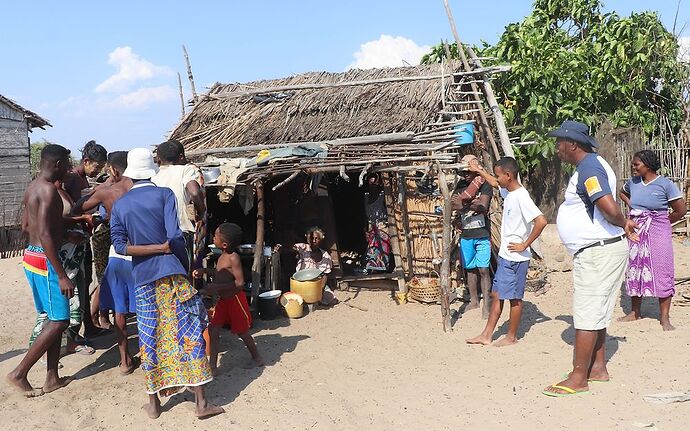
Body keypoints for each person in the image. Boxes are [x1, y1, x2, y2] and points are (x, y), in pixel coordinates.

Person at [110, 148, 222, 419]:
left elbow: (120, 246)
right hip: (172, 273)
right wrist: (165, 252)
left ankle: (154, 404)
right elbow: (174, 237)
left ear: (130, 174)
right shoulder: (165, 195)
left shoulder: (121, 205)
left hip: (143, 278)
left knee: (149, 336)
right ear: (152, 169)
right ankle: (201, 403)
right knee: (189, 332)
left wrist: (149, 250)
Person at [542, 120, 637, 397]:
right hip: (601, 249)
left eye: (560, 142)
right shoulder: (590, 166)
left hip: (598, 251)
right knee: (597, 311)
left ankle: (578, 377)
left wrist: (623, 222)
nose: (557, 147)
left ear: (572, 144)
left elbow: (607, 206)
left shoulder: (589, 168)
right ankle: (597, 368)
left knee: (585, 314)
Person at [6, 144, 75, 397]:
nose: (68, 169)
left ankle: (52, 377)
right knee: (60, 320)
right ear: (57, 164)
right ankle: (19, 373)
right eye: (66, 164)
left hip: (31, 256)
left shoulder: (33, 187)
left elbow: (26, 225)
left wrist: (65, 232)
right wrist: (61, 274)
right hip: (46, 261)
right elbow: (44, 233)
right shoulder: (48, 191)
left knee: (52, 317)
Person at [466, 156, 547, 346]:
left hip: (517, 258)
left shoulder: (521, 196)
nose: (497, 178)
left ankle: (511, 337)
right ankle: (486, 335)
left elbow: (541, 221)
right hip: (506, 256)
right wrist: (479, 171)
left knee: (515, 299)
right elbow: (494, 182)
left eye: (499, 175)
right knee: (498, 294)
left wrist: (525, 245)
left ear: (508, 176)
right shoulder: (508, 191)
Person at [72, 151, 138, 374]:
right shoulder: (150, 190)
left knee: (119, 307)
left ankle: (124, 361)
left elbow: (77, 207)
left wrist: (97, 191)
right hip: (145, 251)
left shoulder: (108, 191)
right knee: (148, 306)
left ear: (113, 169)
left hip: (119, 252)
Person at [618, 150, 686, 331]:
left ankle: (664, 317)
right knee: (635, 268)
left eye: (636, 164)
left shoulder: (665, 184)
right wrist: (631, 204)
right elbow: (621, 193)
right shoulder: (632, 183)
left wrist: (663, 222)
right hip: (636, 230)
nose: (633, 167)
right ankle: (635, 312)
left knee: (662, 268)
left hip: (658, 230)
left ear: (647, 165)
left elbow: (680, 210)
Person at [193, 223, 264, 375]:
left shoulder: (233, 258)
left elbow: (239, 283)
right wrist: (205, 270)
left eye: (216, 237)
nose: (213, 237)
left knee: (242, 332)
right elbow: (220, 274)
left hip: (234, 300)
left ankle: (257, 358)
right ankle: (212, 366)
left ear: (224, 244)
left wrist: (216, 288)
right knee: (213, 330)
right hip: (223, 301)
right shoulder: (223, 256)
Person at [64, 140, 108, 339]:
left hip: (82, 236)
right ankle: (72, 334)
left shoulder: (82, 179)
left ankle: (88, 326)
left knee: (86, 282)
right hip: (71, 240)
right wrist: (84, 217)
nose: (97, 171)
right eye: (96, 167)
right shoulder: (73, 179)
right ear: (87, 161)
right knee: (75, 286)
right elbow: (70, 208)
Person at [152, 140, 206, 271]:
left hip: (159, 233)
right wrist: (202, 210)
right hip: (181, 231)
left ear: (158, 159)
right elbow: (194, 191)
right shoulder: (186, 170)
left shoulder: (153, 176)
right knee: (184, 274)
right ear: (180, 156)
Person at [452, 154, 493, 318]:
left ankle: (487, 305)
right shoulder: (461, 185)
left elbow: (483, 206)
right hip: (466, 234)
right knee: (470, 269)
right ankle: (474, 301)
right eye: (463, 172)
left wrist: (465, 202)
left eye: (468, 171)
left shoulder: (485, 185)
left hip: (482, 234)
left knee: (483, 269)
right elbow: (455, 205)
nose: (465, 175)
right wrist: (470, 202)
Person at [293, 227, 337, 305]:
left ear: (321, 239)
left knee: (330, 299)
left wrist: (320, 290)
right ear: (307, 239)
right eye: (311, 238)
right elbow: (292, 248)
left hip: (316, 285)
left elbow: (325, 275)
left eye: (316, 239)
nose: (313, 241)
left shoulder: (325, 256)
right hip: (302, 284)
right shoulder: (303, 248)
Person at [363, 174, 392, 272]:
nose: (372, 186)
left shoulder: (383, 195)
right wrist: (365, 229)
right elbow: (365, 213)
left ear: (379, 183)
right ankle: (373, 268)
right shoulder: (366, 196)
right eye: (370, 184)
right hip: (371, 225)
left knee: (383, 247)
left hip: (382, 225)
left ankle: (383, 268)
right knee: (372, 248)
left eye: (374, 183)